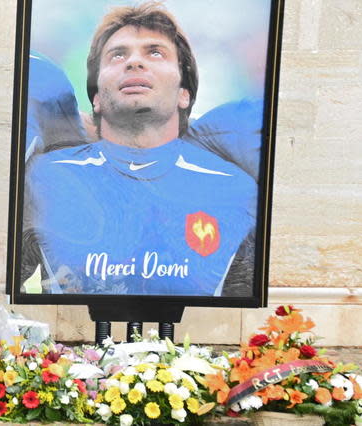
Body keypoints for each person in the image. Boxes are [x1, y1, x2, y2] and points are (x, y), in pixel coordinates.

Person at [27, 2, 256, 297]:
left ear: (184, 94)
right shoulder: (42, 179)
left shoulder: (236, 190)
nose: (134, 62)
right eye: (118, 54)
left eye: (155, 52)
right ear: (95, 98)